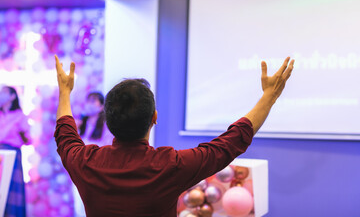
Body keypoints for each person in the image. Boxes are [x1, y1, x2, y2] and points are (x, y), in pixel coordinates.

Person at [54, 55, 294, 216]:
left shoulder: (84, 161)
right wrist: (269, 97)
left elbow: (65, 132)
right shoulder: (169, 165)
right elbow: (230, 143)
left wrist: (65, 92)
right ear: (154, 118)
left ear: (108, 121)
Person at [74, 91, 113, 217]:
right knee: (78, 206)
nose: (90, 104)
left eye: (93, 101)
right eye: (88, 100)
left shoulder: (106, 126)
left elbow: (108, 148)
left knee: (94, 205)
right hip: (79, 170)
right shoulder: (80, 124)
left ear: (101, 107)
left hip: (97, 171)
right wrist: (75, 128)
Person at [0, 86, 30, 217]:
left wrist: (22, 134)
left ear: (12, 96)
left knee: (11, 187)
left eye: (4, 92)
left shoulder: (19, 115)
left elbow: (28, 140)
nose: (1, 94)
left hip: (12, 154)